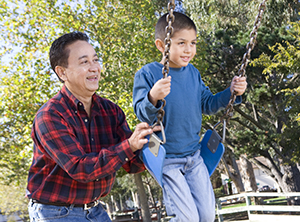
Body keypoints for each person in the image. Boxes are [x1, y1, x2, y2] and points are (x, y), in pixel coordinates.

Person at [26, 31, 160, 222]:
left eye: (95, 60)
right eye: (84, 62)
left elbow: (133, 163)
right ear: (62, 72)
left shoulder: (110, 111)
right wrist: (129, 146)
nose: (94, 67)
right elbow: (81, 169)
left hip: (95, 209)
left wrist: (156, 138)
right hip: (54, 212)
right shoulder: (50, 116)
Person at [133, 12, 247, 222]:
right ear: (161, 45)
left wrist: (232, 92)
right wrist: (153, 96)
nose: (189, 49)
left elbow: (208, 104)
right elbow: (140, 111)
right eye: (181, 43)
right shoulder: (148, 73)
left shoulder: (193, 73)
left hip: (194, 157)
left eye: (193, 43)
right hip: (166, 157)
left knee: (206, 216)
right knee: (188, 219)